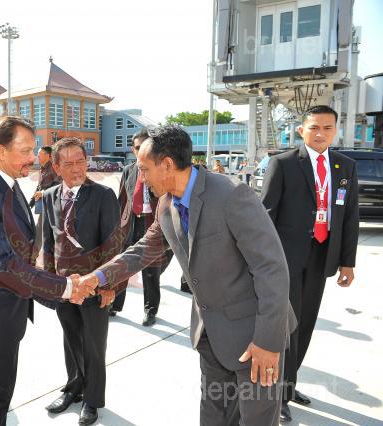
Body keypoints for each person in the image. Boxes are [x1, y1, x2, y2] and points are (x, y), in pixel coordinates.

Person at [77, 125, 296, 426]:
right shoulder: (166, 204)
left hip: (254, 336)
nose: (141, 177)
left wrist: (268, 342)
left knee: (256, 420)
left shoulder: (231, 195)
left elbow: (271, 269)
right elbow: (144, 249)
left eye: (144, 169)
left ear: (167, 164)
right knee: (213, 418)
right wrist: (99, 277)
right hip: (210, 335)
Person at [0, 115, 95, 425]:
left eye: (33, 149)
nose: (33, 157)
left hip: (8, 306)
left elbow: (23, 255)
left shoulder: (9, 183)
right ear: (1, 151)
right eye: (25, 150)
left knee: (1, 387)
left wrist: (59, 289)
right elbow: (6, 266)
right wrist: (66, 288)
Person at [260, 105, 359, 423]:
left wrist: (347, 262)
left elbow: (350, 216)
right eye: (314, 127)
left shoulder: (345, 167)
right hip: (285, 258)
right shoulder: (283, 163)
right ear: (301, 130)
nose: (320, 134)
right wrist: (261, 261)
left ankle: (289, 386)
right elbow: (266, 215)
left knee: (305, 324)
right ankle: (278, 393)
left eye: (327, 128)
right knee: (285, 326)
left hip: (322, 255)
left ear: (336, 131)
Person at [41, 138, 123, 425]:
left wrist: (109, 285)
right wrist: (51, 283)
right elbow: (48, 241)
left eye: (80, 161)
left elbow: (113, 244)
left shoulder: (103, 195)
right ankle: (74, 388)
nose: (76, 168)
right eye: (68, 163)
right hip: (64, 286)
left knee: (94, 345)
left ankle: (92, 399)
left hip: (94, 284)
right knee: (71, 339)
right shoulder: (49, 195)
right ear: (56, 167)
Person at [111, 128, 173, 326]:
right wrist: (116, 226)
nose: (141, 150)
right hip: (130, 224)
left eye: (146, 145)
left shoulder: (160, 169)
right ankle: (115, 304)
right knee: (123, 265)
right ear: (133, 149)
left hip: (152, 223)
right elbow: (122, 199)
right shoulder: (128, 170)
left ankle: (150, 310)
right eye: (138, 147)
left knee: (150, 270)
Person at [29, 145, 61, 254]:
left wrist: (43, 193)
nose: (37, 156)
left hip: (52, 203)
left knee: (41, 229)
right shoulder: (42, 168)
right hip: (43, 203)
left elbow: (59, 185)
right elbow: (39, 187)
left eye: (40, 154)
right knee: (44, 229)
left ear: (48, 155)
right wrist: (30, 203)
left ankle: (33, 255)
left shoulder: (54, 168)